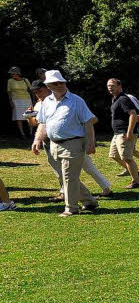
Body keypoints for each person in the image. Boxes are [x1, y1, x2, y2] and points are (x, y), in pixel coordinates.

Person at [31, 70, 101, 217]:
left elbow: (88, 122)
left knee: (68, 176)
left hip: (74, 143)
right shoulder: (46, 103)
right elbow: (43, 123)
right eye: (56, 83)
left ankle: (71, 208)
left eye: (62, 82)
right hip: (54, 145)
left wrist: (91, 143)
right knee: (65, 176)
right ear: (48, 86)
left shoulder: (77, 100)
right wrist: (37, 139)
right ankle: (89, 201)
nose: (60, 85)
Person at [106, 78, 139, 188]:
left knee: (127, 158)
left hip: (124, 132)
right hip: (117, 133)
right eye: (108, 85)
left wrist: (130, 131)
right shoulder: (115, 99)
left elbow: (133, 114)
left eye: (112, 85)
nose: (110, 87)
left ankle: (136, 181)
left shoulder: (123, 99)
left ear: (119, 86)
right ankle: (136, 173)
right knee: (114, 155)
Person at [7, 66, 32, 139]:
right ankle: (22, 134)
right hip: (16, 100)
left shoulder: (26, 80)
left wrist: (33, 100)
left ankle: (31, 133)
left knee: (30, 116)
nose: (11, 75)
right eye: (11, 74)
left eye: (12, 73)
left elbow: (31, 90)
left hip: (27, 99)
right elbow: (9, 92)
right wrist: (10, 101)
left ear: (17, 74)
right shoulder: (10, 81)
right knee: (18, 118)